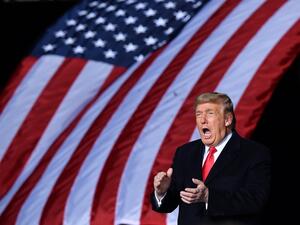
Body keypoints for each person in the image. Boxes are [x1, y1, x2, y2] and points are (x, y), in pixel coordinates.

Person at [151, 92, 271, 225]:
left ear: (227, 119)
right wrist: (162, 192)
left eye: (210, 113)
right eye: (198, 114)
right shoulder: (185, 153)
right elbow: (168, 205)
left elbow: (255, 200)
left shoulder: (254, 153)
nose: (202, 120)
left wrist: (209, 197)